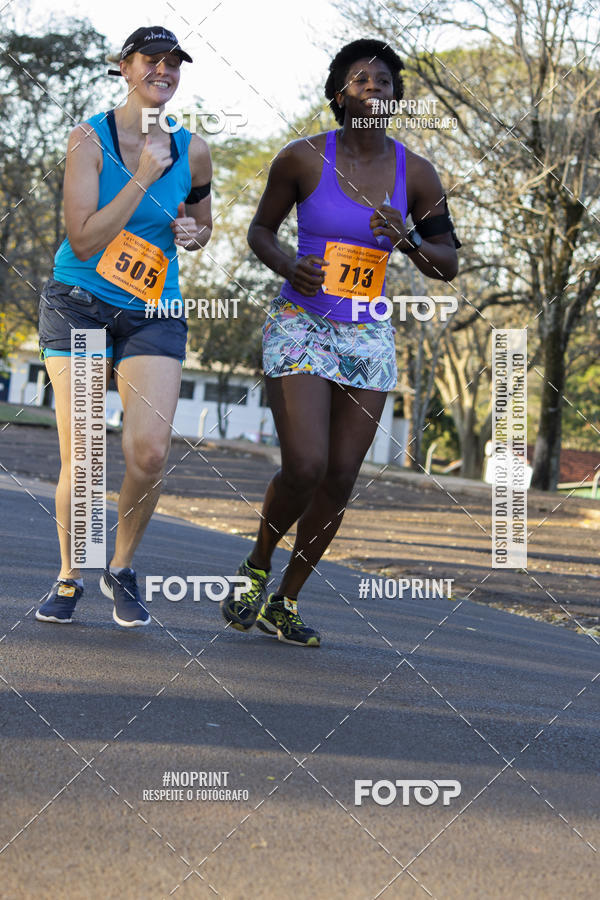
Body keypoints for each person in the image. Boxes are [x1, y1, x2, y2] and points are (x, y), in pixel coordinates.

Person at [220, 39, 460, 647]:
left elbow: (448, 263)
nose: (374, 87)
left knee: (342, 477)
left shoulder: (418, 174)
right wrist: (286, 265)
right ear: (339, 94)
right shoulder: (301, 159)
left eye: (384, 80)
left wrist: (405, 240)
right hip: (301, 320)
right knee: (305, 463)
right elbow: (260, 230)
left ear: (397, 96)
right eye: (360, 80)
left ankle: (287, 601)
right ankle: (256, 564)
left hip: (369, 331)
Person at [35, 26, 212, 627]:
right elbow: (83, 239)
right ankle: (68, 576)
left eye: (173, 63)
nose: (163, 71)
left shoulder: (192, 148)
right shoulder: (88, 140)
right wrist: (139, 173)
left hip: (152, 308)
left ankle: (122, 567)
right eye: (151, 61)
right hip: (80, 300)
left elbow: (201, 222)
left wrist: (194, 233)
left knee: (149, 452)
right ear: (125, 67)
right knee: (83, 453)